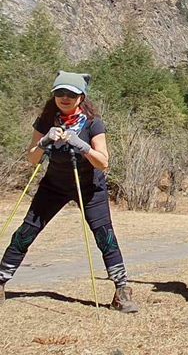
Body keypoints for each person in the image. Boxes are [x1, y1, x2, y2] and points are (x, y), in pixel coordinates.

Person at [0, 71, 138, 312]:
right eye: (59, 93)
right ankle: (1, 281)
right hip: (54, 185)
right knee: (26, 231)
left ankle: (122, 289)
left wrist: (81, 145)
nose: (64, 98)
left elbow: (103, 162)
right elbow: (32, 159)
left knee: (105, 236)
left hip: (90, 187)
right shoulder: (46, 120)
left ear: (81, 96)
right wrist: (44, 142)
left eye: (71, 94)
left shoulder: (93, 122)